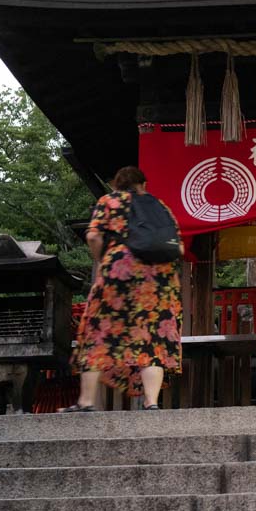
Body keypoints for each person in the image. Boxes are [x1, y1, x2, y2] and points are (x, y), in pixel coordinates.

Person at [66, 166, 182, 410]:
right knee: (153, 337)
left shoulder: (109, 200)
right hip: (159, 280)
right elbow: (177, 248)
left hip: (120, 274)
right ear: (144, 184)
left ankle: (86, 401)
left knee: (99, 331)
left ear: (117, 184)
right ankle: (151, 403)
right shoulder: (161, 207)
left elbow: (93, 236)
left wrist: (103, 259)